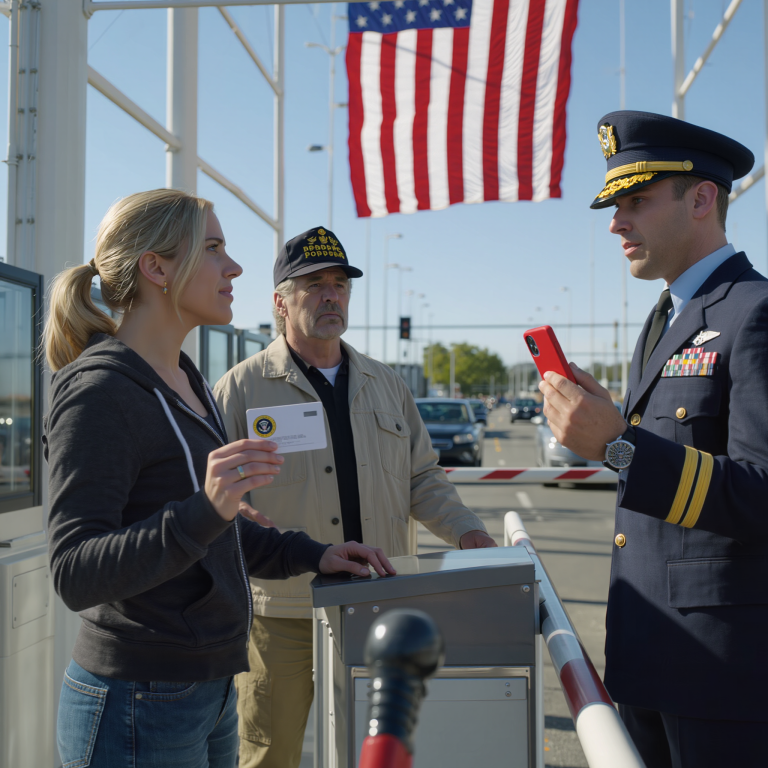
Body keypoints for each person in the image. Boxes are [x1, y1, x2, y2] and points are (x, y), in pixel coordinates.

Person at [43, 190, 395, 768]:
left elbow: (216, 529)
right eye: (213, 248)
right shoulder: (98, 392)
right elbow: (76, 572)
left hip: (206, 687)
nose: (233, 267)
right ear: (155, 268)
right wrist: (206, 509)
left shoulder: (186, 379)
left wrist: (316, 554)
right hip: (139, 698)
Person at [213, 226, 495, 768]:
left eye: (340, 284)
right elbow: (214, 497)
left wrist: (468, 532)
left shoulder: (385, 384)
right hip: (283, 614)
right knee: (269, 752)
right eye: (314, 284)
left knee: (376, 750)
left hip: (379, 601)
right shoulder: (240, 390)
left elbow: (423, 478)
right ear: (280, 301)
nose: (330, 296)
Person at [539, 111, 768, 766]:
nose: (615, 222)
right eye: (614, 204)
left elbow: (760, 494)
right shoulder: (668, 316)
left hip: (719, 678)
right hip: (650, 658)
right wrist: (618, 425)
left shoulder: (753, 312)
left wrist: (619, 446)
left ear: (701, 198)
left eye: (635, 201)